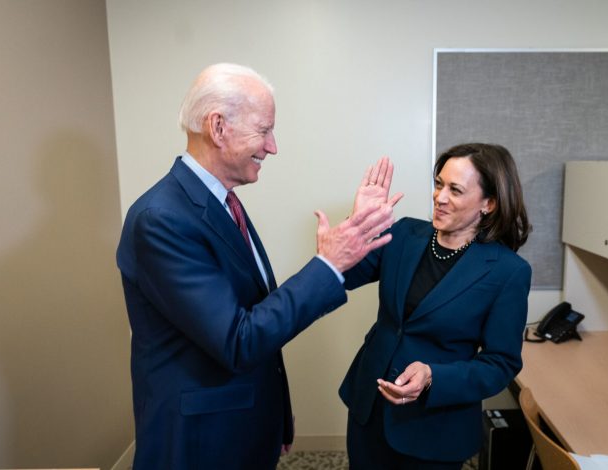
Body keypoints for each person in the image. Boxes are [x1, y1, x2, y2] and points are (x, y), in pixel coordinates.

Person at [116, 63, 400, 469]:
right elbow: (238, 339)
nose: (272, 146)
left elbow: (251, 313)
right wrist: (327, 264)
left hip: (240, 424)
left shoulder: (220, 201)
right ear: (218, 127)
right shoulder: (162, 218)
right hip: (198, 442)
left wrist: (275, 413)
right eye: (264, 130)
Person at [340, 143, 532, 469]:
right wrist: (357, 225)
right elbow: (341, 276)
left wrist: (433, 377)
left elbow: (501, 363)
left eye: (455, 190)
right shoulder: (403, 234)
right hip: (370, 406)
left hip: (434, 426)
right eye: (439, 184)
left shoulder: (507, 271)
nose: (440, 197)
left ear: (489, 203)